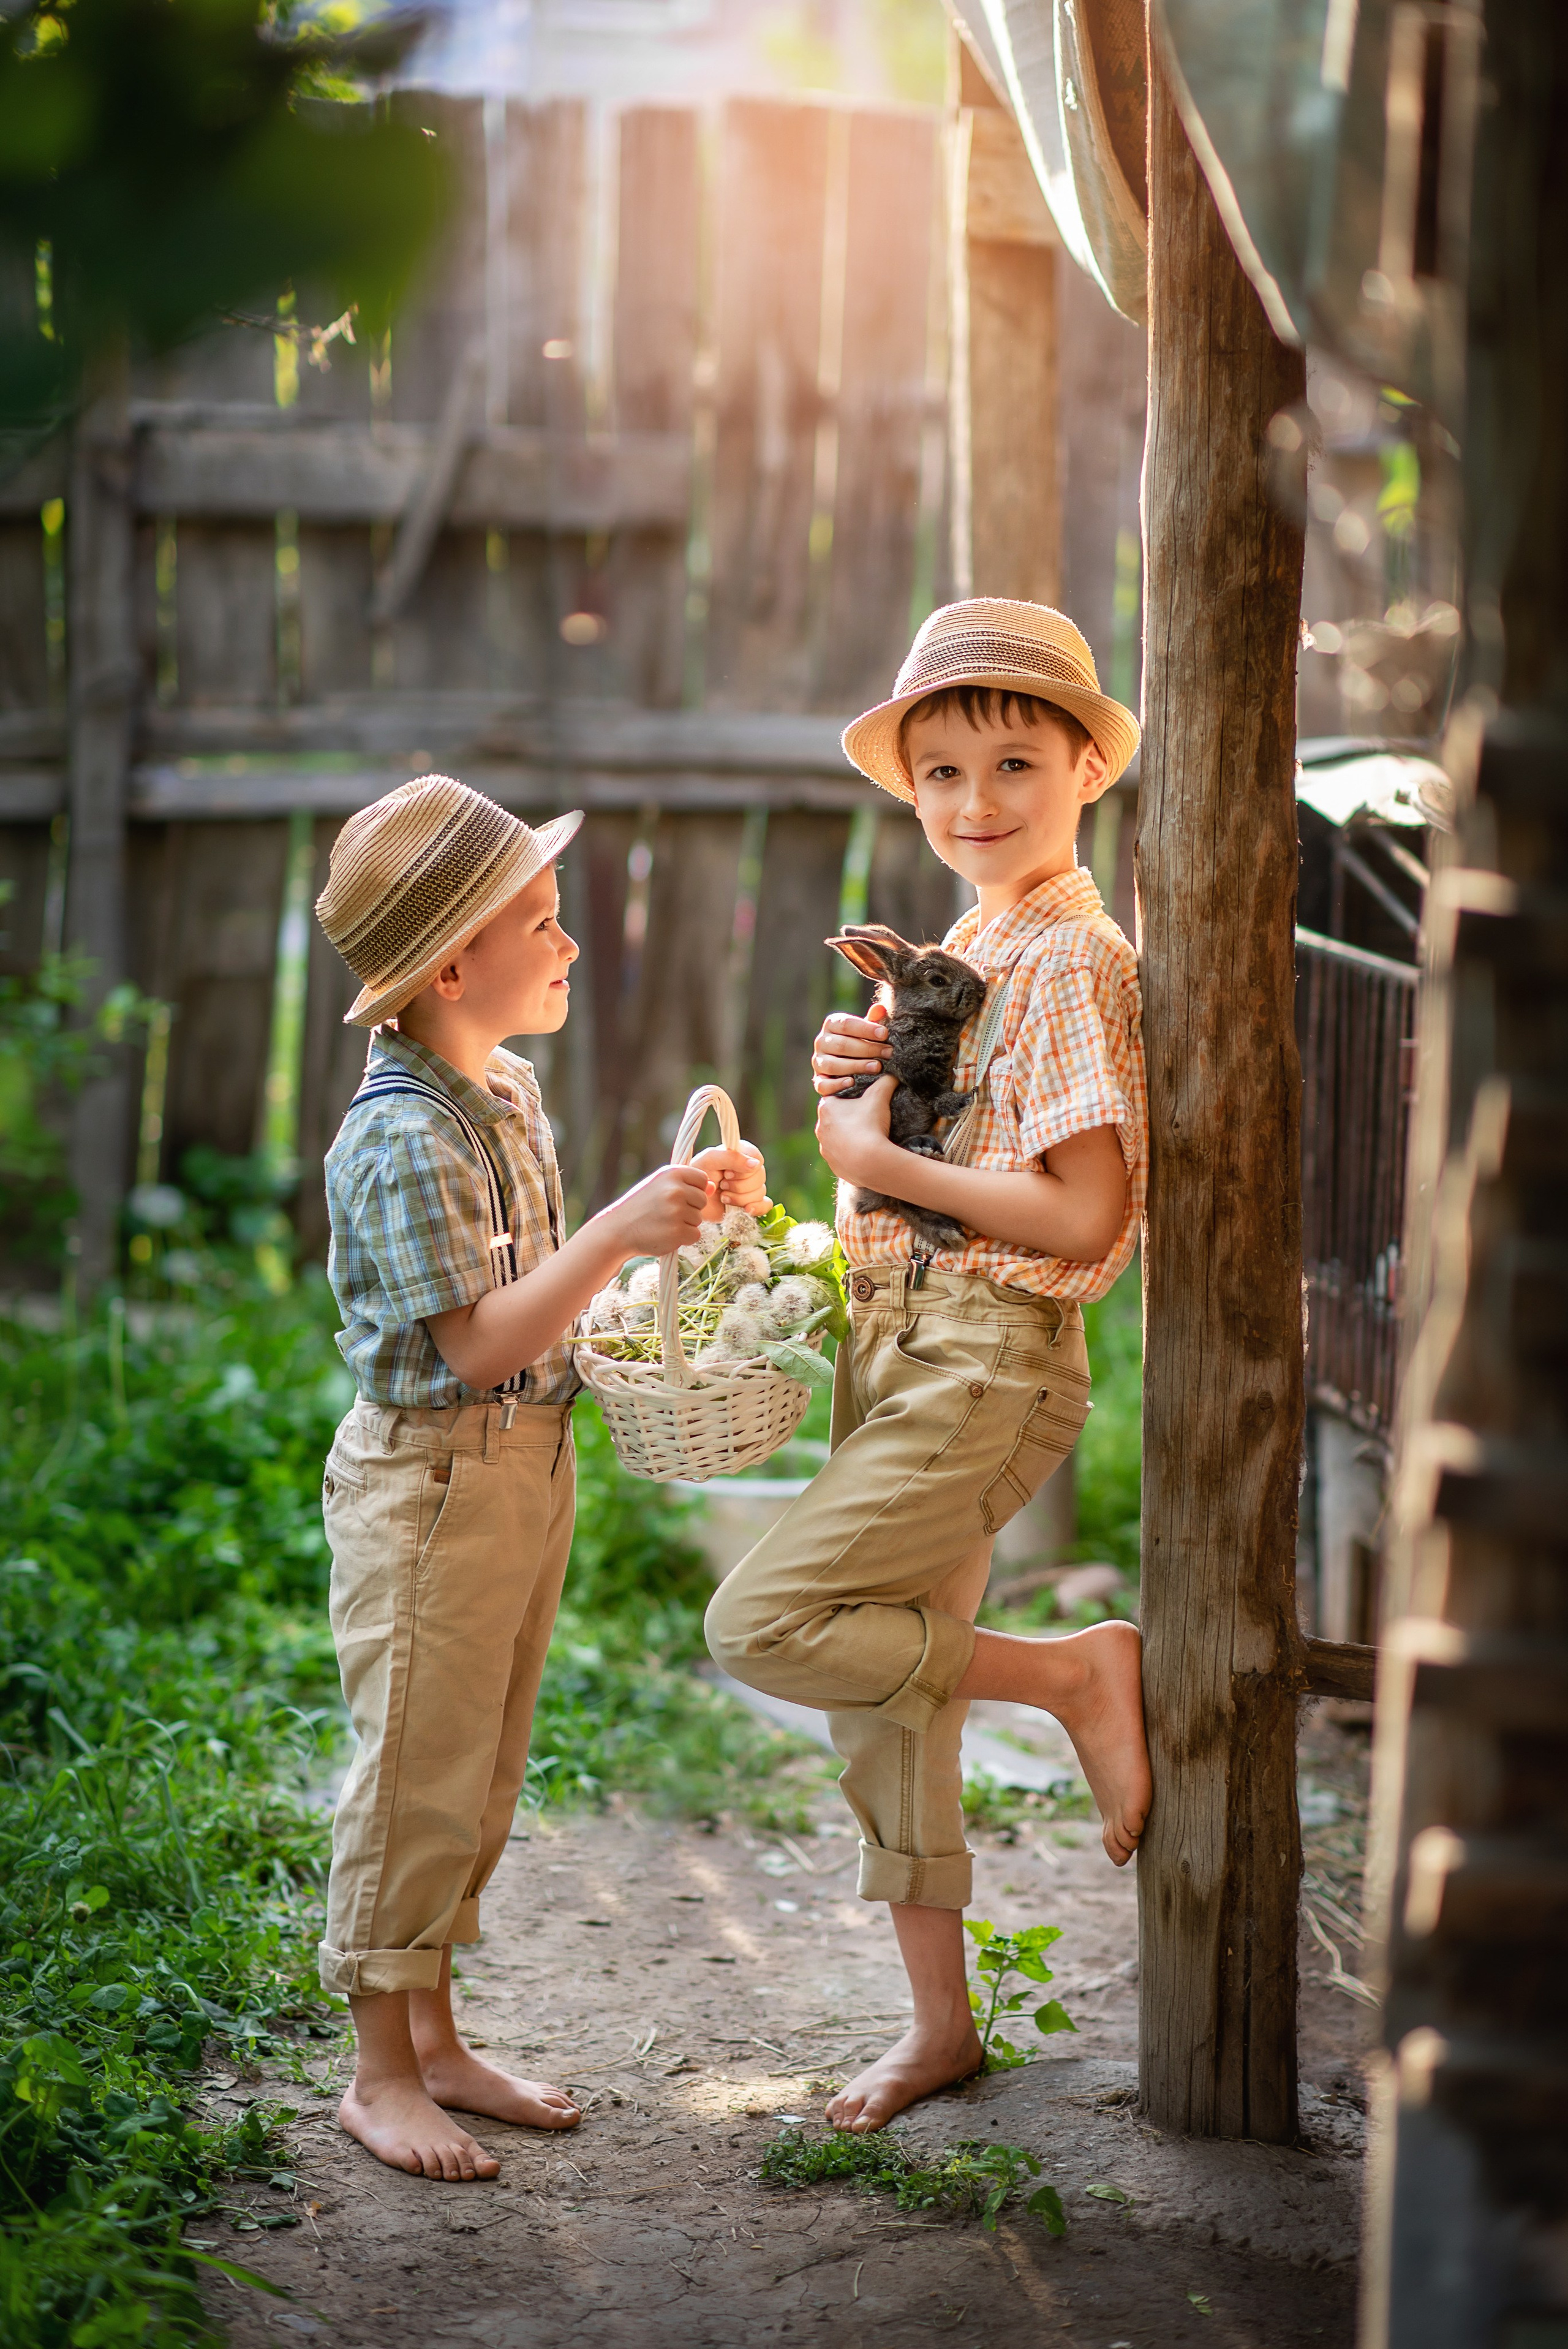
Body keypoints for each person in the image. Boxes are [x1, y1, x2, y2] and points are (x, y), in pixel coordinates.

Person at [705, 599, 1152, 2133]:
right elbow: (936, 1156)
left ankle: (1075, 1677)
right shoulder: (969, 942)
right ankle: (939, 2030)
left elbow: (1084, 1208)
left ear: (1087, 765)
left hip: (984, 1358)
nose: (974, 804)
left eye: (1014, 764)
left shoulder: (1075, 958)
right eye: (941, 773)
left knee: (767, 1622)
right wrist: (863, 1099)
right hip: (899, 1343)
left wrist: (856, 1146)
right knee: (888, 1702)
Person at [314, 776, 767, 2182]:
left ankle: (436, 2036)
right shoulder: (396, 1135)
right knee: (411, 1774)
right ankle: (377, 2073)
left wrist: (681, 1226)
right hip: (434, 1480)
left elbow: (542, 1304)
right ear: (453, 964)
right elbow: (475, 1339)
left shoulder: (500, 1092)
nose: (569, 944)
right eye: (544, 920)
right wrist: (623, 1237)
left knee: (480, 1768)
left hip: (523, 1466)